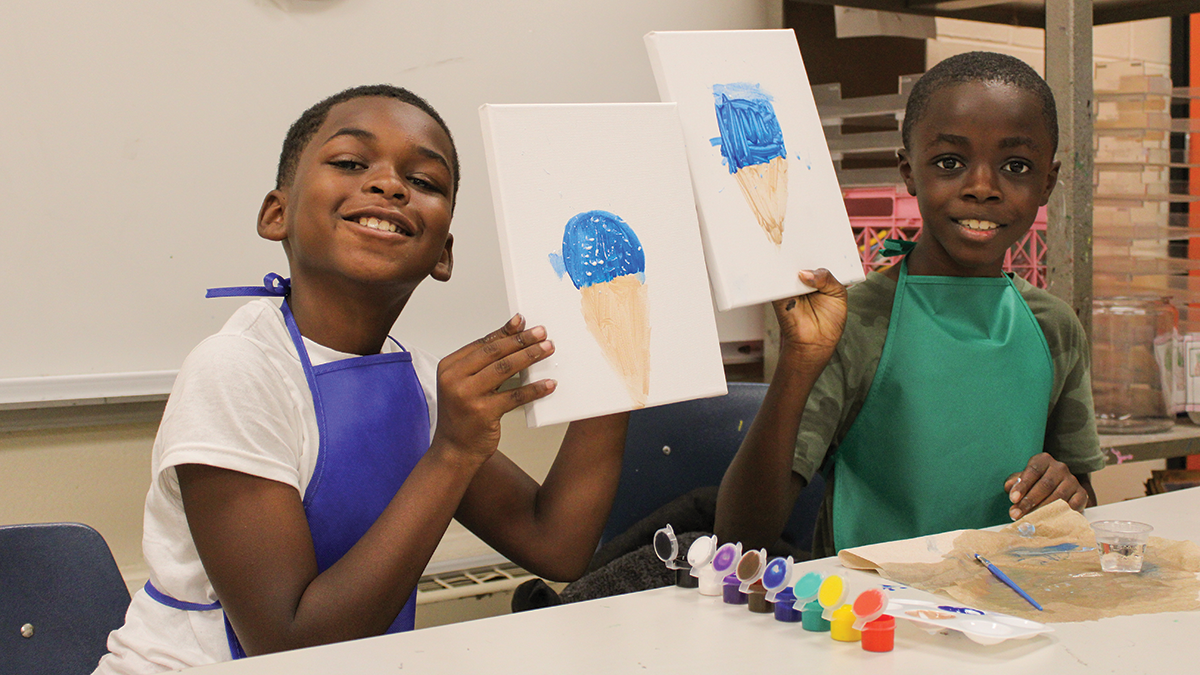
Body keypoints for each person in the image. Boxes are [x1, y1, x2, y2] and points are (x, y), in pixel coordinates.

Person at [95, 85, 629, 672]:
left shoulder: (417, 382)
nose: (391, 185)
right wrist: (451, 452)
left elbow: (556, 544)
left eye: (424, 181)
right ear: (278, 215)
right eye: (351, 163)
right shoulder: (237, 370)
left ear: (443, 254)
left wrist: (617, 366)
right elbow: (289, 647)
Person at [716, 52, 1106, 559]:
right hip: (870, 615)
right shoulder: (850, 322)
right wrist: (797, 362)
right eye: (950, 162)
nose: (982, 188)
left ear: (1047, 184)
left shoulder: (1054, 327)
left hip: (1009, 610)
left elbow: (1082, 497)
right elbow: (740, 537)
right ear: (909, 172)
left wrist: (1066, 491)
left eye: (1016, 166)